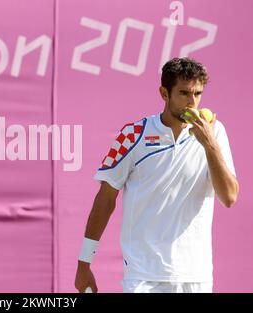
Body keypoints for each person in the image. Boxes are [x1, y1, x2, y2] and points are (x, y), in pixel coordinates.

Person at [74, 57, 239, 293]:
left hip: (196, 276)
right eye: (184, 93)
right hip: (143, 276)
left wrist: (209, 144)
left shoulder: (215, 133)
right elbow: (105, 199)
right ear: (164, 93)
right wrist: (84, 263)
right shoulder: (133, 135)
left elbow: (229, 197)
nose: (192, 103)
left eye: (198, 94)